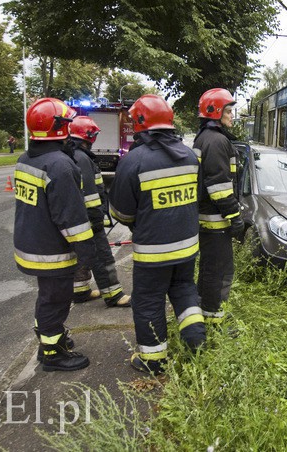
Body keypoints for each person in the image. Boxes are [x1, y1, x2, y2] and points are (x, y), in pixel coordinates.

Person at [109, 94, 206, 375]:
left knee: (149, 299)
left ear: (140, 122)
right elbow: (195, 198)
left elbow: (121, 212)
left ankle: (153, 360)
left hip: (153, 251)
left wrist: (139, 222)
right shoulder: (188, 155)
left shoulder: (134, 160)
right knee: (185, 290)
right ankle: (196, 343)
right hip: (188, 247)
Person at [13, 97, 97, 372]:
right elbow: (71, 218)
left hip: (32, 244)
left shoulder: (27, 158)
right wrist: (87, 250)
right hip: (52, 251)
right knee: (56, 300)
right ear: (58, 127)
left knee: (47, 297)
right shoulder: (59, 166)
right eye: (67, 122)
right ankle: (52, 354)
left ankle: (52, 339)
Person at [192, 88, 244, 327]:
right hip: (216, 220)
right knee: (220, 271)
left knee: (209, 269)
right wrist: (234, 216)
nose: (232, 116)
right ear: (215, 112)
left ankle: (204, 310)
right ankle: (214, 321)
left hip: (206, 217)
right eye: (229, 111)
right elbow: (219, 186)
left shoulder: (204, 137)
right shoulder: (217, 140)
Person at [69, 116, 131, 307]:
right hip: (88, 218)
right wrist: (97, 219)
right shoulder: (82, 158)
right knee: (102, 256)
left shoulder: (73, 154)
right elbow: (89, 194)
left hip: (76, 218)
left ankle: (80, 291)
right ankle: (114, 295)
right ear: (88, 135)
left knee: (80, 255)